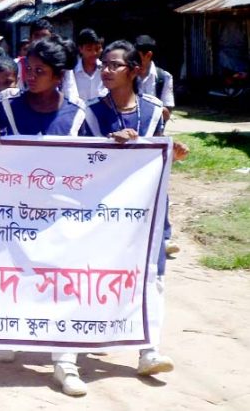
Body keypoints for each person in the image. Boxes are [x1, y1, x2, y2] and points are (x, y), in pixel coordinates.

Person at [0, 36, 89, 397]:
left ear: (58, 76)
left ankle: (65, 362)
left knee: (62, 284)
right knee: (13, 276)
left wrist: (126, 144)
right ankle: (9, 332)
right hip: (14, 212)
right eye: (27, 68)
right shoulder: (9, 104)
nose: (29, 75)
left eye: (39, 71)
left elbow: (99, 163)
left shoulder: (77, 116)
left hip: (60, 218)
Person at [82, 39, 186, 378]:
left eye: (115, 65)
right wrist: (109, 145)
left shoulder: (154, 110)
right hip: (105, 209)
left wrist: (170, 150)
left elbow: (158, 152)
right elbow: (81, 159)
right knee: (101, 272)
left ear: (135, 70)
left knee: (152, 277)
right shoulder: (92, 113)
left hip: (147, 208)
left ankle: (149, 350)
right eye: (104, 65)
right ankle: (93, 331)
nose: (107, 70)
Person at [133, 34, 179, 256]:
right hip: (130, 140)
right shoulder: (129, 74)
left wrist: (151, 114)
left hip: (154, 142)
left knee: (159, 188)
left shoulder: (162, 77)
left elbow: (167, 111)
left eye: (138, 55)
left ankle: (164, 236)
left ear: (148, 55)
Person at [73, 28, 106, 102]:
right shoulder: (72, 72)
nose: (94, 53)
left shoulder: (106, 71)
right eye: (89, 49)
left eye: (97, 49)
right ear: (80, 49)